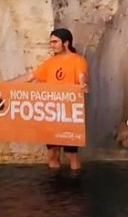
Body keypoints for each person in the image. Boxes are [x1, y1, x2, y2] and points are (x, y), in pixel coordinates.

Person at [27, 28, 89, 171]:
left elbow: (81, 75)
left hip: (68, 114)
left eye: (55, 42)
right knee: (52, 152)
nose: (52, 45)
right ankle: (54, 185)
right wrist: (7, 87)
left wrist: (83, 84)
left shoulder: (77, 60)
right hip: (52, 113)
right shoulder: (50, 62)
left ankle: (75, 186)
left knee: (70, 154)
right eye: (51, 42)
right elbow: (32, 77)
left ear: (66, 43)